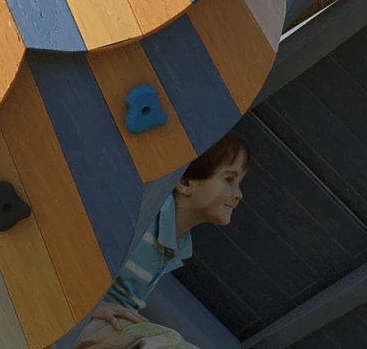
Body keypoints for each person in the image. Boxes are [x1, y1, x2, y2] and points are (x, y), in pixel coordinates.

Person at [72, 133, 250, 349]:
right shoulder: (142, 216)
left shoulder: (177, 242)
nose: (238, 194)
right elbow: (71, 257)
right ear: (185, 182)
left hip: (104, 328)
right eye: (229, 180)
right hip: (76, 321)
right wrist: (90, 310)